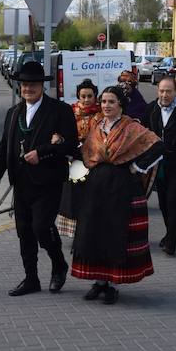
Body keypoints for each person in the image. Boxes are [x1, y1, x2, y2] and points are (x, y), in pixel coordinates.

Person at [0, 61, 78, 296]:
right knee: (24, 231)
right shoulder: (13, 113)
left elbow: (70, 144)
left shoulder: (60, 110)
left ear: (42, 86)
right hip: (22, 182)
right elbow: (4, 145)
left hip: (48, 181)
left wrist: (43, 152)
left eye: (33, 85)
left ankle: (58, 265)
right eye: (25, 85)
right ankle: (31, 278)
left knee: (41, 227)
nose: (28, 89)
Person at [72, 86, 164, 304]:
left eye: (111, 102)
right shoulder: (97, 126)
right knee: (96, 233)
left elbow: (157, 146)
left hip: (122, 188)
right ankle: (99, 282)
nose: (106, 106)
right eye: (103, 102)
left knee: (116, 233)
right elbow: (87, 151)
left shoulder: (131, 127)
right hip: (97, 187)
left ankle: (112, 285)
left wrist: (137, 167)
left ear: (121, 105)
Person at [142, 77, 176, 255]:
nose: (165, 95)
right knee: (164, 203)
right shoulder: (150, 109)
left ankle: (171, 242)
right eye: (162, 91)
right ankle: (169, 232)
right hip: (158, 166)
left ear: (175, 92)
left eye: (169, 91)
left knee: (174, 201)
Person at [56, 78, 101, 237]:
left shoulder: (101, 113)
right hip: (74, 158)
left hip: (96, 159)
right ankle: (77, 233)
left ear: (95, 96)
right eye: (83, 96)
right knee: (74, 197)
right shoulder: (70, 112)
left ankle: (91, 230)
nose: (86, 99)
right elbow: (60, 132)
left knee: (93, 197)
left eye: (90, 96)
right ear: (78, 97)